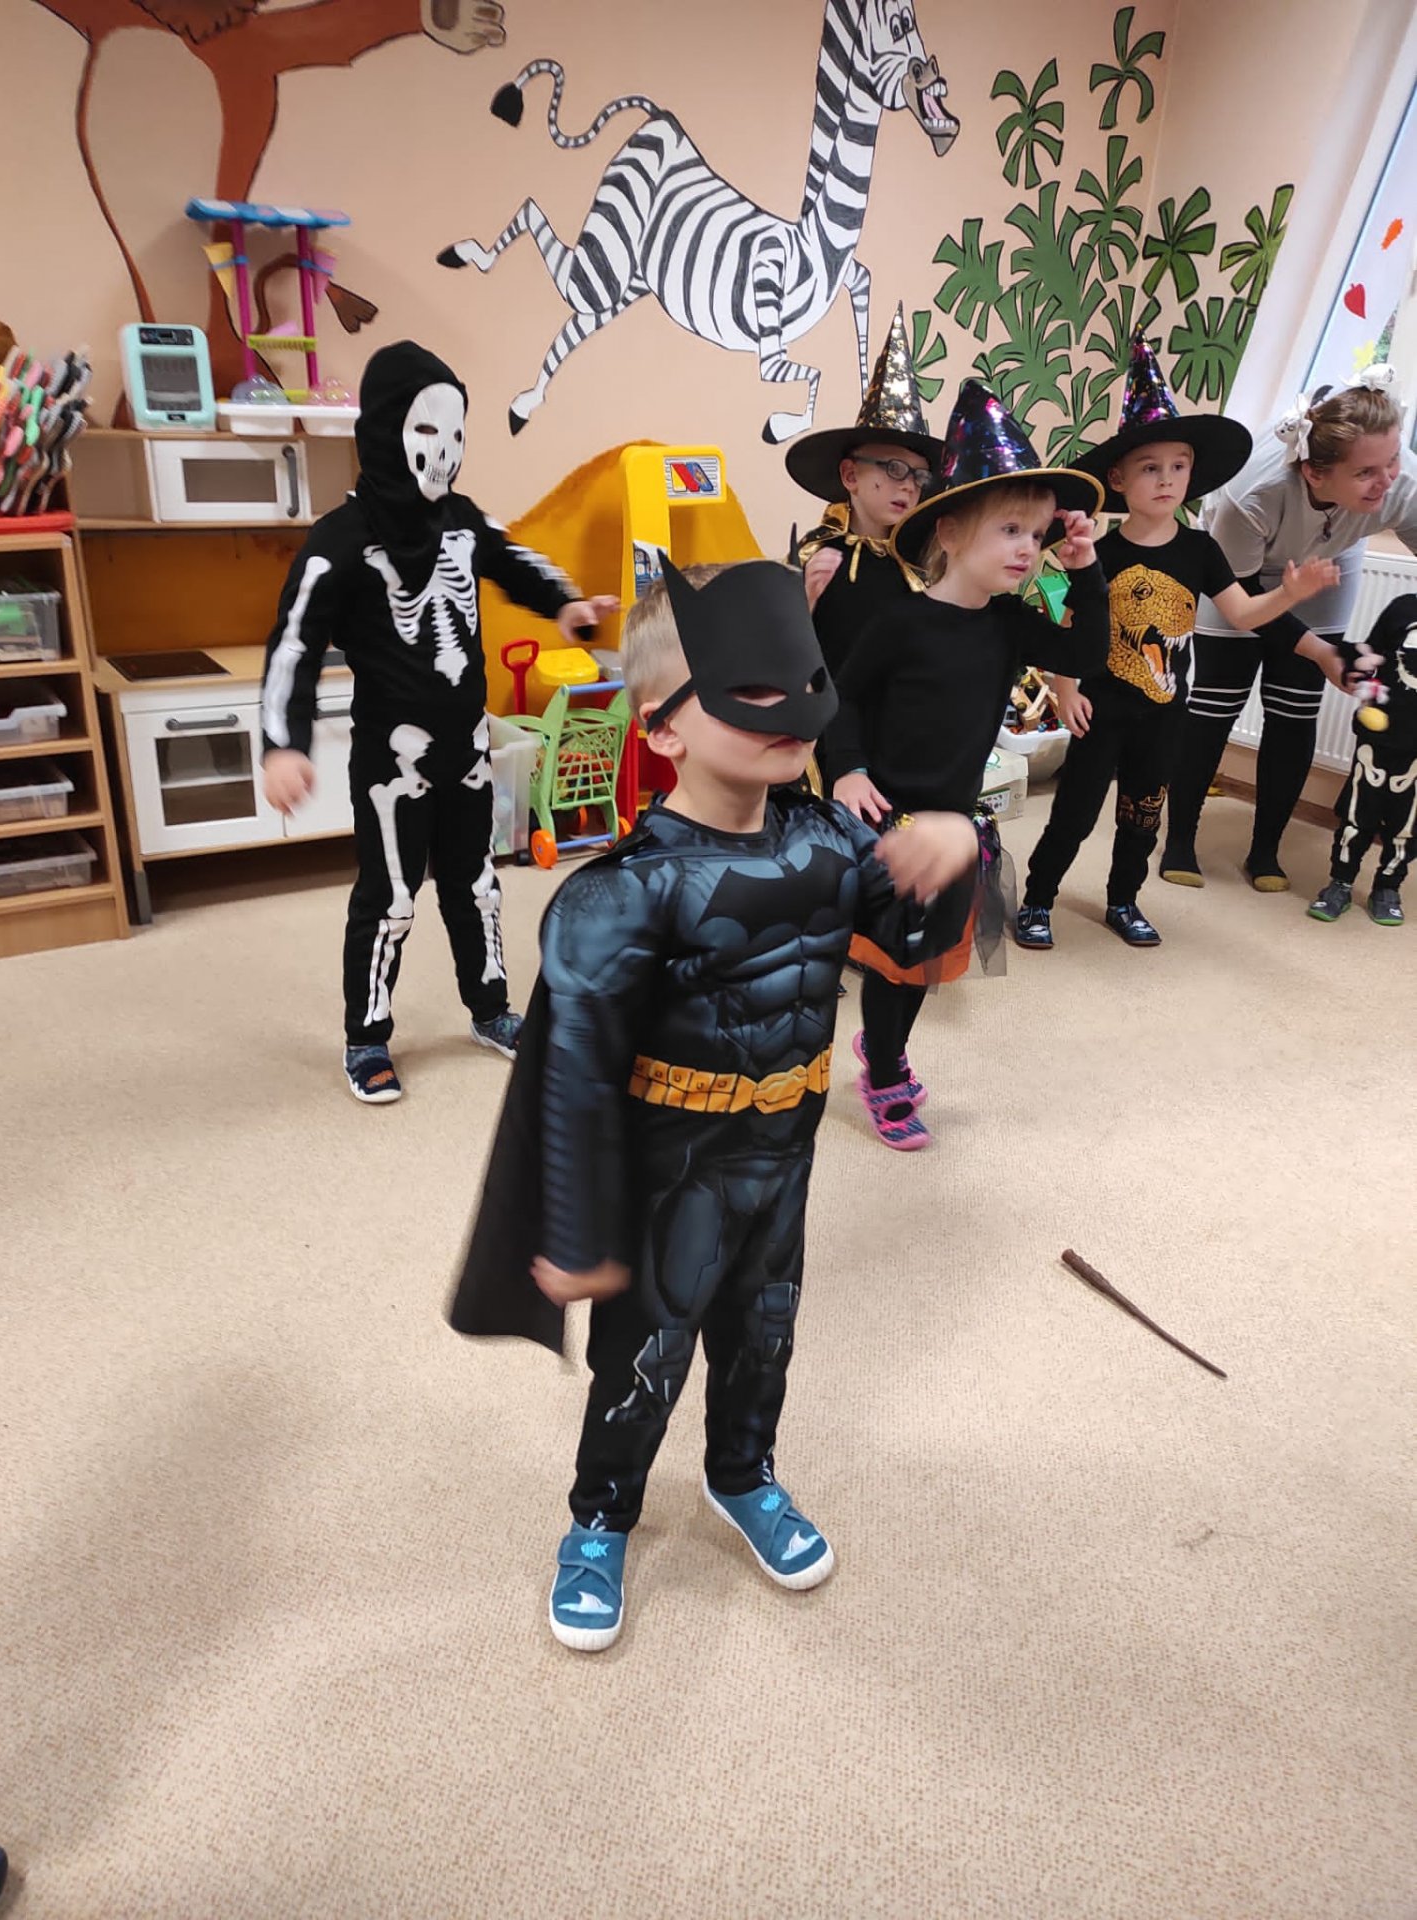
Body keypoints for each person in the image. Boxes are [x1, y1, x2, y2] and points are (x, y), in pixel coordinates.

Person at [449, 556, 979, 1650]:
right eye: (751, 689)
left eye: (804, 679)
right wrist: (573, 1229)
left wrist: (954, 849)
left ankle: (742, 1474)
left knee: (763, 1336)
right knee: (644, 1356)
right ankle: (600, 1517)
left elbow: (914, 938)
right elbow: (572, 1074)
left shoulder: (833, 841)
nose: (789, 708)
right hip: (671, 1172)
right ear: (663, 731)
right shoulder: (621, 893)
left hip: (783, 1156)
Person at [259, 340, 615, 1103]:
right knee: (390, 898)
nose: (445, 450)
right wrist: (283, 742)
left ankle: (490, 1009)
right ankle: (366, 1035)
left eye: (456, 433)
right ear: (386, 431)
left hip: (469, 747)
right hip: (392, 760)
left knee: (477, 884)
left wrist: (566, 605)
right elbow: (294, 642)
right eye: (426, 431)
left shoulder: (461, 519)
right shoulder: (341, 539)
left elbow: (515, 560)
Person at [827, 379, 1108, 1148]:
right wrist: (847, 769)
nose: (1027, 548)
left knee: (923, 959)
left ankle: (884, 1048)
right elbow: (842, 699)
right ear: (949, 532)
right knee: (889, 957)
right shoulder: (898, 622)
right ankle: (885, 1067)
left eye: (1037, 534)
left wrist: (1086, 567)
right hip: (886, 819)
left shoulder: (1010, 624)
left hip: (956, 825)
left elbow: (1087, 652)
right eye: (1011, 529)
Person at [1017, 332, 1341, 949]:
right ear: (1119, 478)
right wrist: (1065, 690)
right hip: (1100, 711)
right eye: (1150, 467)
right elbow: (1068, 627)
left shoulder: (1201, 549)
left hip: (1165, 714)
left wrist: (1289, 594)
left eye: (1178, 466)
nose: (1166, 479)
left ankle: (1123, 900)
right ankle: (1038, 900)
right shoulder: (1099, 553)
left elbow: (1243, 614)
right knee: (1073, 816)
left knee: (1142, 818)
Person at [1163, 366, 1417, 892]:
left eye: (1393, 459)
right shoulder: (1254, 492)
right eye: (1367, 471)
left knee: (1295, 708)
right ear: (1315, 473)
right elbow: (1242, 597)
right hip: (1237, 573)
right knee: (1214, 705)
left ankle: (1265, 850)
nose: (1388, 478)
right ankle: (1180, 840)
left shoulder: (1400, 481)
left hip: (1326, 562)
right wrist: (1321, 652)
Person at [784, 307, 942, 787]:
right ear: (850, 475)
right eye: (893, 469)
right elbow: (782, 653)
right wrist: (802, 602)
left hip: (901, 735)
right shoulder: (815, 556)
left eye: (918, 476)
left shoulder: (921, 562)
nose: (908, 486)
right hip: (828, 736)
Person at [1308, 592, 1417, 927]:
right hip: (1377, 742)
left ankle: (1387, 887)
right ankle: (1340, 881)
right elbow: (1370, 652)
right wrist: (1357, 661)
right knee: (1358, 816)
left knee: (1406, 826)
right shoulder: (1404, 607)